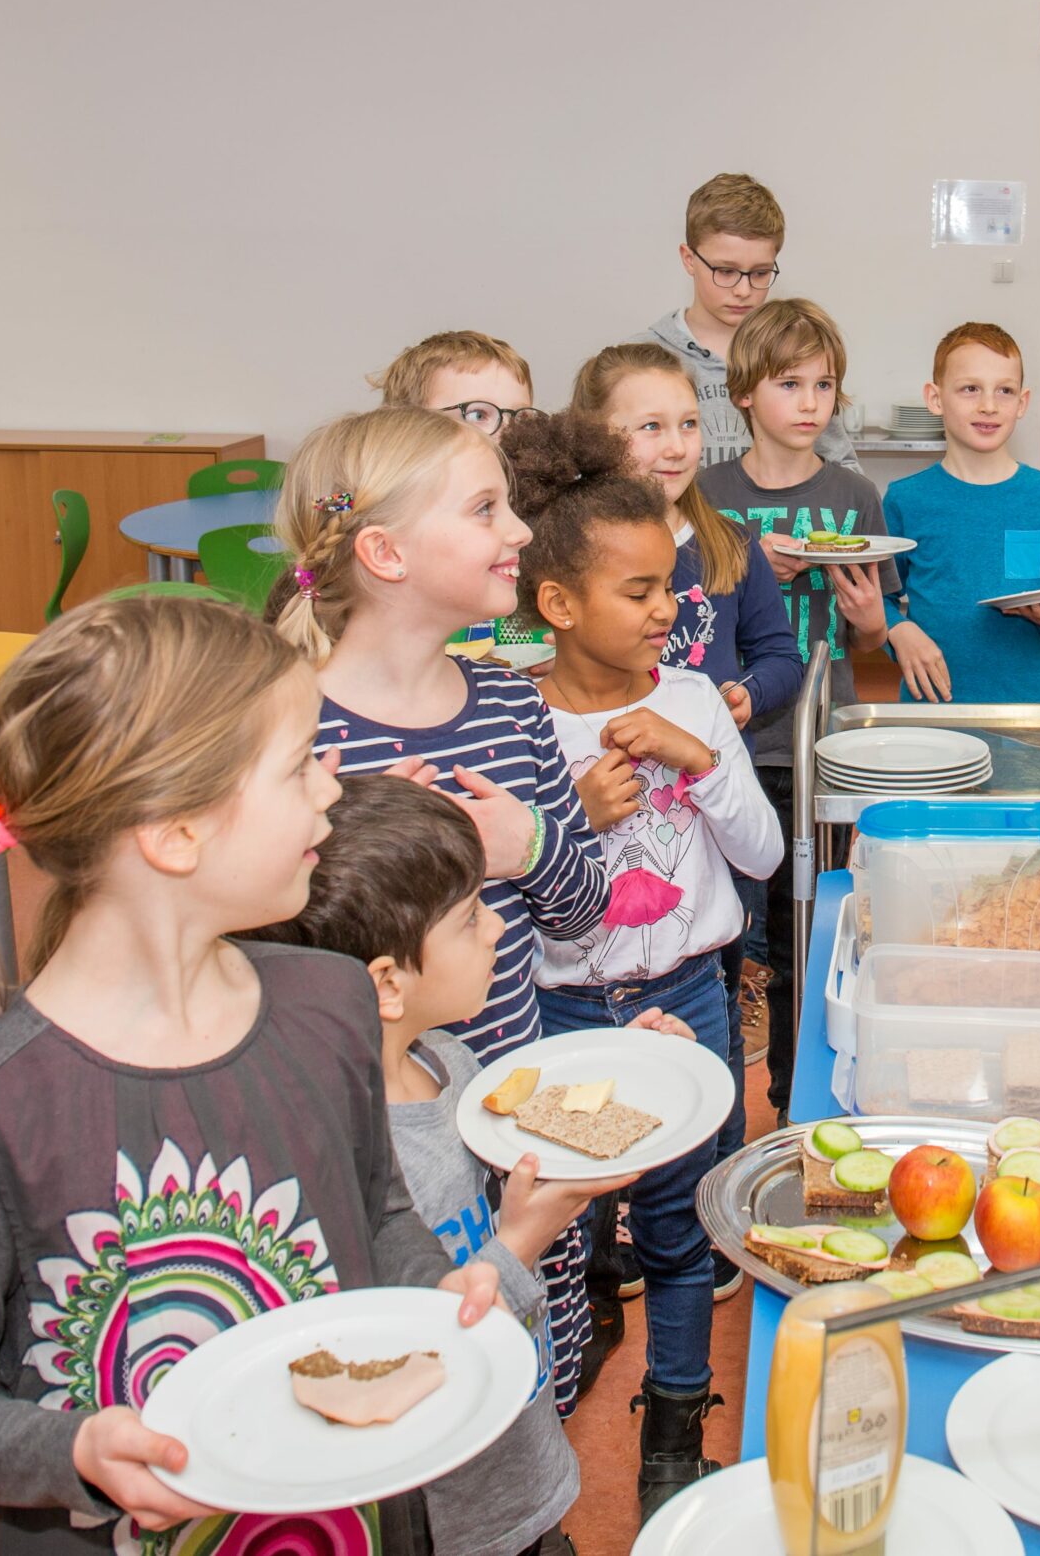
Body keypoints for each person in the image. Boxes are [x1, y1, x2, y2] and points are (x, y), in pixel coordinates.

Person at [0, 595, 504, 1553]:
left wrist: (434, 1290)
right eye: (298, 768)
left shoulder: (328, 1002)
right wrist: (72, 1450)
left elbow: (375, 1209)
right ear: (175, 835)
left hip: (351, 1523)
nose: (332, 791)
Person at [245, 775, 708, 1556]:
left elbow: (547, 1143)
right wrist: (520, 1244)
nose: (497, 926)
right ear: (388, 984)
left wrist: (639, 1066)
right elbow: (391, 1359)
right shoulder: (355, 1156)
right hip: (450, 1520)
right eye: (468, 918)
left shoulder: (449, 1062)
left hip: (518, 1460)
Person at [271, 405, 615, 1407]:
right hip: (364, 1140)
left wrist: (528, 844)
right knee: (397, 1366)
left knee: (519, 1356)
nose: (519, 531)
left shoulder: (510, 701)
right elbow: (264, 956)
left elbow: (580, 909)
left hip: (506, 1107)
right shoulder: (296, 731)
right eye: (485, 508)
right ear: (385, 551)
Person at [505, 411, 784, 1523]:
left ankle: (674, 1419)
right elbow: (502, 903)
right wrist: (564, 818)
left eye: (668, 585)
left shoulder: (685, 698)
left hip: (683, 994)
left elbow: (761, 854)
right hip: (560, 1007)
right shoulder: (516, 720)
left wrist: (702, 758)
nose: (667, 610)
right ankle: (566, 1368)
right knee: (564, 1222)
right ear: (558, 605)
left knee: (679, 1220)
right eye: (638, 592)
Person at [700, 298, 896, 1117]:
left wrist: (873, 627)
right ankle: (710, 1102)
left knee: (806, 931)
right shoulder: (705, 495)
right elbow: (679, 621)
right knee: (722, 940)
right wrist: (750, 582)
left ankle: (792, 1108)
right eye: (790, 384)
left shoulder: (854, 495)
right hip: (720, 749)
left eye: (826, 385)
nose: (812, 403)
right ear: (744, 392)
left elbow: (870, 650)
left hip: (817, 746)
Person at [880, 322, 1040, 704]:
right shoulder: (905, 499)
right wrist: (899, 631)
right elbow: (880, 597)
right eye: (970, 388)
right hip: (932, 708)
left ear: (1022, 403)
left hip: (1024, 712)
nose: (989, 405)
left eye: (1004, 391)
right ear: (935, 398)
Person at [635, 173, 858, 467]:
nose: (743, 290)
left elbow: (842, 468)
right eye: (725, 271)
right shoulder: (640, 360)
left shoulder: (794, 352)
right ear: (689, 259)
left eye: (760, 273)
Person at [375, 329, 549, 437]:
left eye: (522, 419)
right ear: (407, 427)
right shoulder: (361, 494)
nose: (509, 432)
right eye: (478, 415)